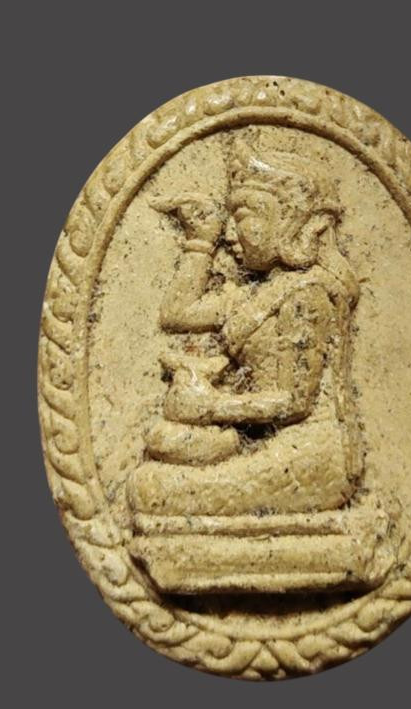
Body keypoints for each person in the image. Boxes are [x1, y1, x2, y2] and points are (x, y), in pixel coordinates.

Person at [128, 139, 363, 517]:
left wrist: (211, 407)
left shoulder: (310, 294)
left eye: (243, 217)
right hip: (269, 446)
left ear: (289, 222)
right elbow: (177, 314)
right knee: (152, 476)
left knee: (151, 490)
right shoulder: (254, 295)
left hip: (310, 456)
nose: (230, 234)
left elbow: (294, 402)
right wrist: (200, 240)